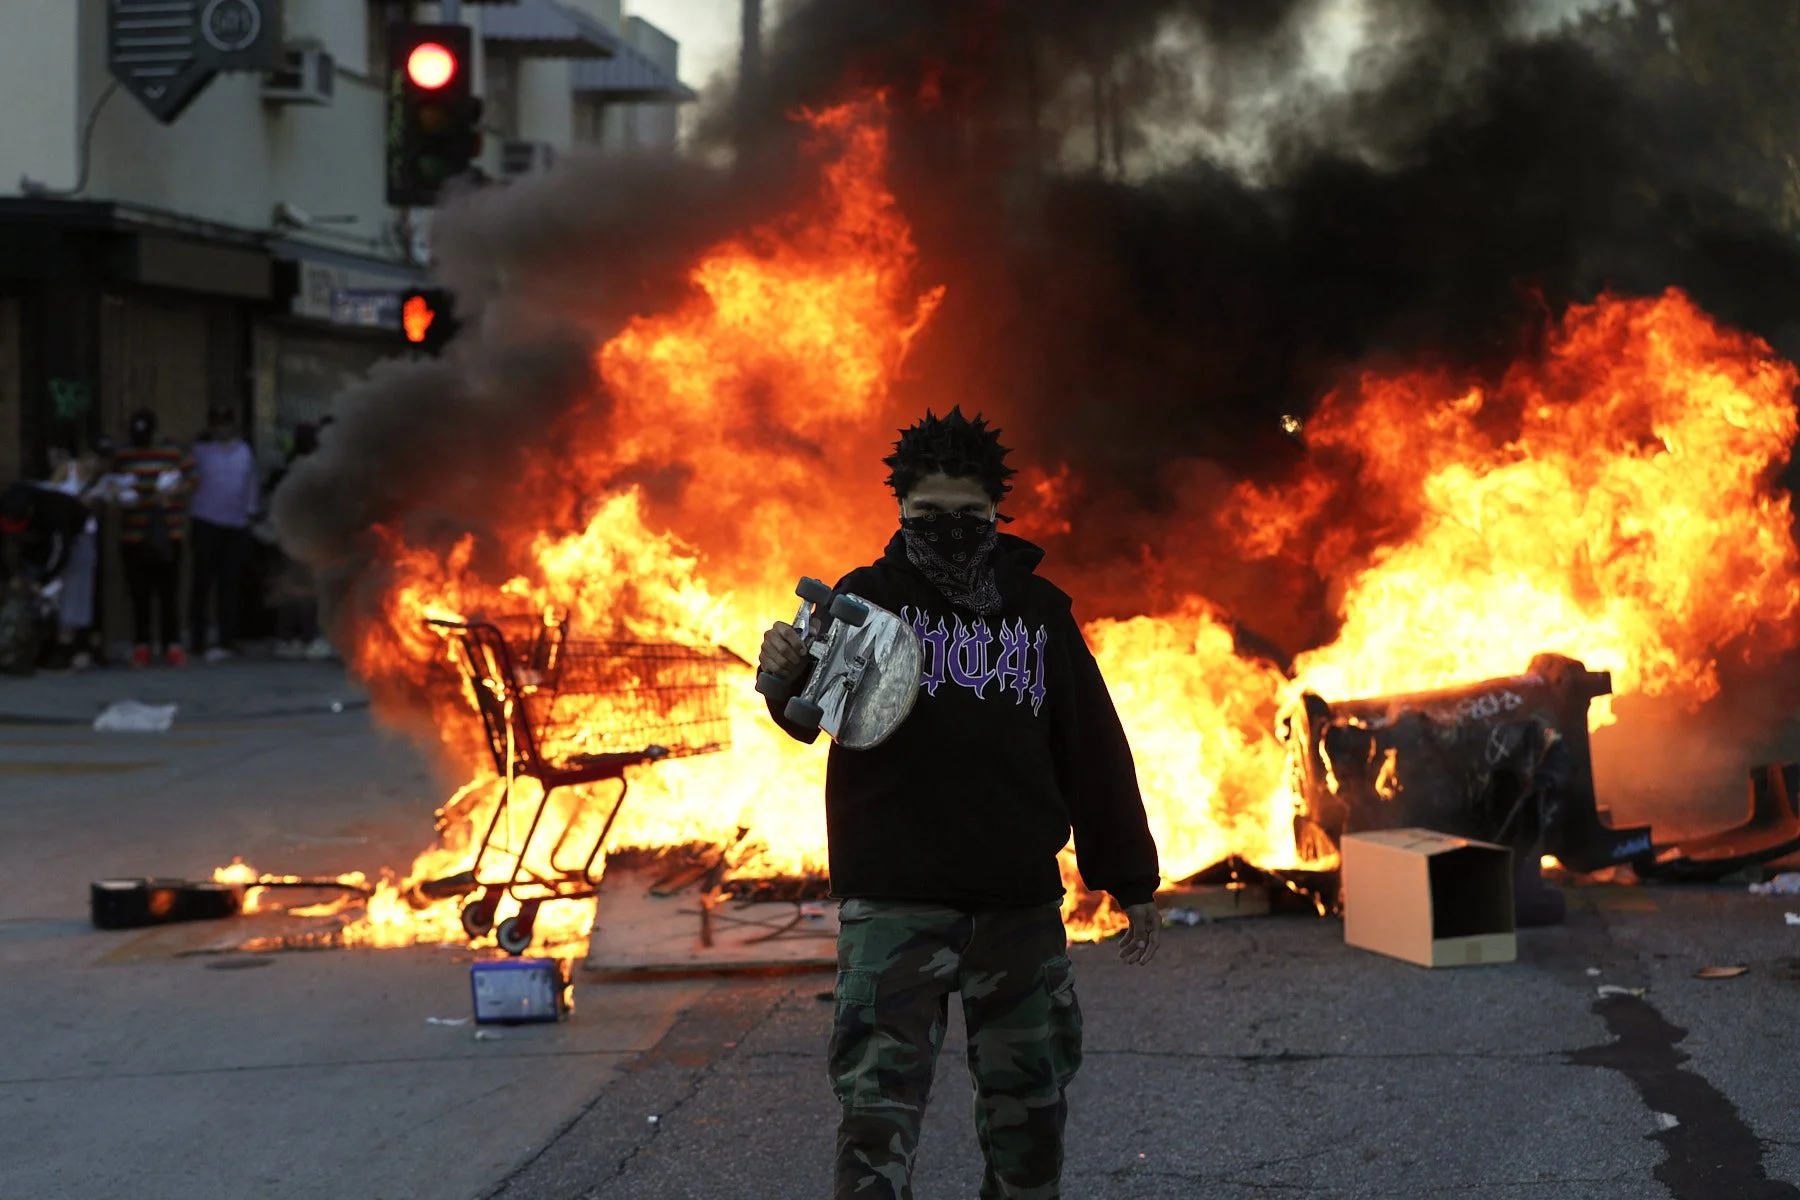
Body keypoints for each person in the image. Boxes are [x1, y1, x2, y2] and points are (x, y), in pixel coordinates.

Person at [758, 407, 1162, 1200]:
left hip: (1016, 903)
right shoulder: (864, 602)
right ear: (899, 509)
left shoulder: (1041, 613)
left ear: (997, 511)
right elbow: (809, 719)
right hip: (894, 905)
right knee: (877, 1113)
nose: (948, 530)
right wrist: (783, 677)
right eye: (927, 516)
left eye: (968, 515)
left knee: (1031, 1112)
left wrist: (1131, 878)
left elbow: (1092, 749)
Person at [113, 407, 191, 668]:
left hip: (168, 532)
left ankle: (172, 644)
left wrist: (173, 491)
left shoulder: (172, 451)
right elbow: (112, 481)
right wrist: (118, 494)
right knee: (139, 594)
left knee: (168, 592)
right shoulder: (123, 454)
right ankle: (142, 644)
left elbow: (193, 477)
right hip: (133, 533)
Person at [187, 404, 259, 663]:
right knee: (202, 583)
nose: (221, 429)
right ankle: (197, 638)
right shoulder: (200, 451)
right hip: (206, 521)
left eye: (225, 423)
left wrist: (251, 511)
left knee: (230, 584)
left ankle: (227, 638)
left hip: (236, 524)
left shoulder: (244, 451)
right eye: (216, 424)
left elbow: (250, 484)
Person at [0, 477, 92, 673]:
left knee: (73, 589)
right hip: (40, 543)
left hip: (76, 534)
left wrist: (43, 582)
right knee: (28, 595)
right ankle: (26, 648)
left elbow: (61, 551)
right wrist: (9, 577)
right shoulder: (7, 507)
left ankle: (69, 649)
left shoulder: (53, 511)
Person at [42, 433, 108, 669]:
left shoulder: (101, 481)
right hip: (62, 537)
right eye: (93, 457)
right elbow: (50, 496)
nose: (95, 463)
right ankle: (59, 646)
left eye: (101, 459)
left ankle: (76, 645)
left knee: (80, 590)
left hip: (84, 537)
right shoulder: (67, 469)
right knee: (58, 588)